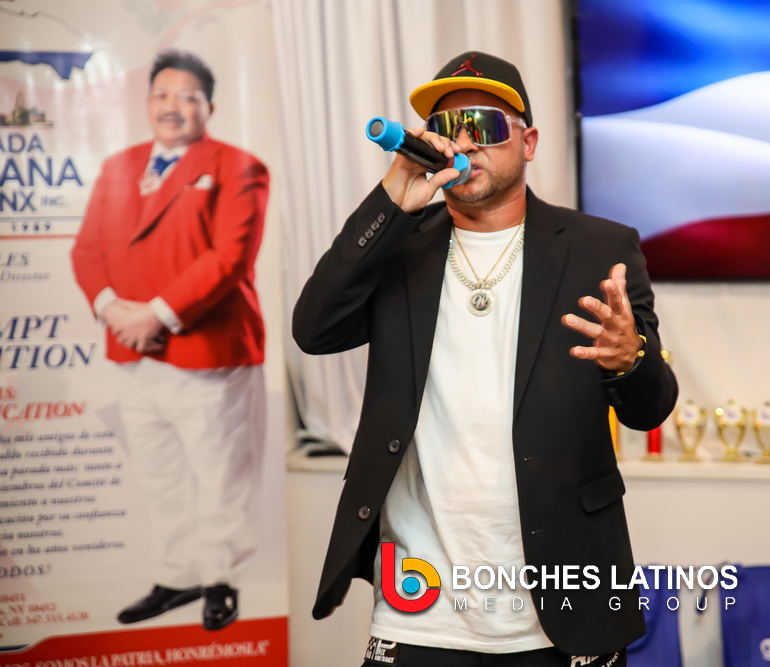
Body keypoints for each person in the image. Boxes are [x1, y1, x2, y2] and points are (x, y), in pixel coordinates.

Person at [294, 51, 678, 667]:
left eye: (487, 126)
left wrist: (628, 358)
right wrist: (392, 198)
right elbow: (314, 329)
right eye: (448, 128)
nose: (466, 143)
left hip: (561, 604)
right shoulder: (400, 246)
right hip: (419, 604)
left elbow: (650, 409)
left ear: (528, 142)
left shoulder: (600, 247)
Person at [71, 50, 269, 632]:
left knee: (220, 474)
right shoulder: (118, 165)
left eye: (187, 96)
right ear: (147, 102)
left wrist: (156, 314)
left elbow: (229, 257)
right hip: (134, 354)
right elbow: (87, 250)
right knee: (160, 474)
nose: (172, 106)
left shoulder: (240, 166)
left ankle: (221, 580)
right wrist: (110, 308)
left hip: (208, 355)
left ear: (209, 106)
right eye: (161, 94)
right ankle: (176, 575)